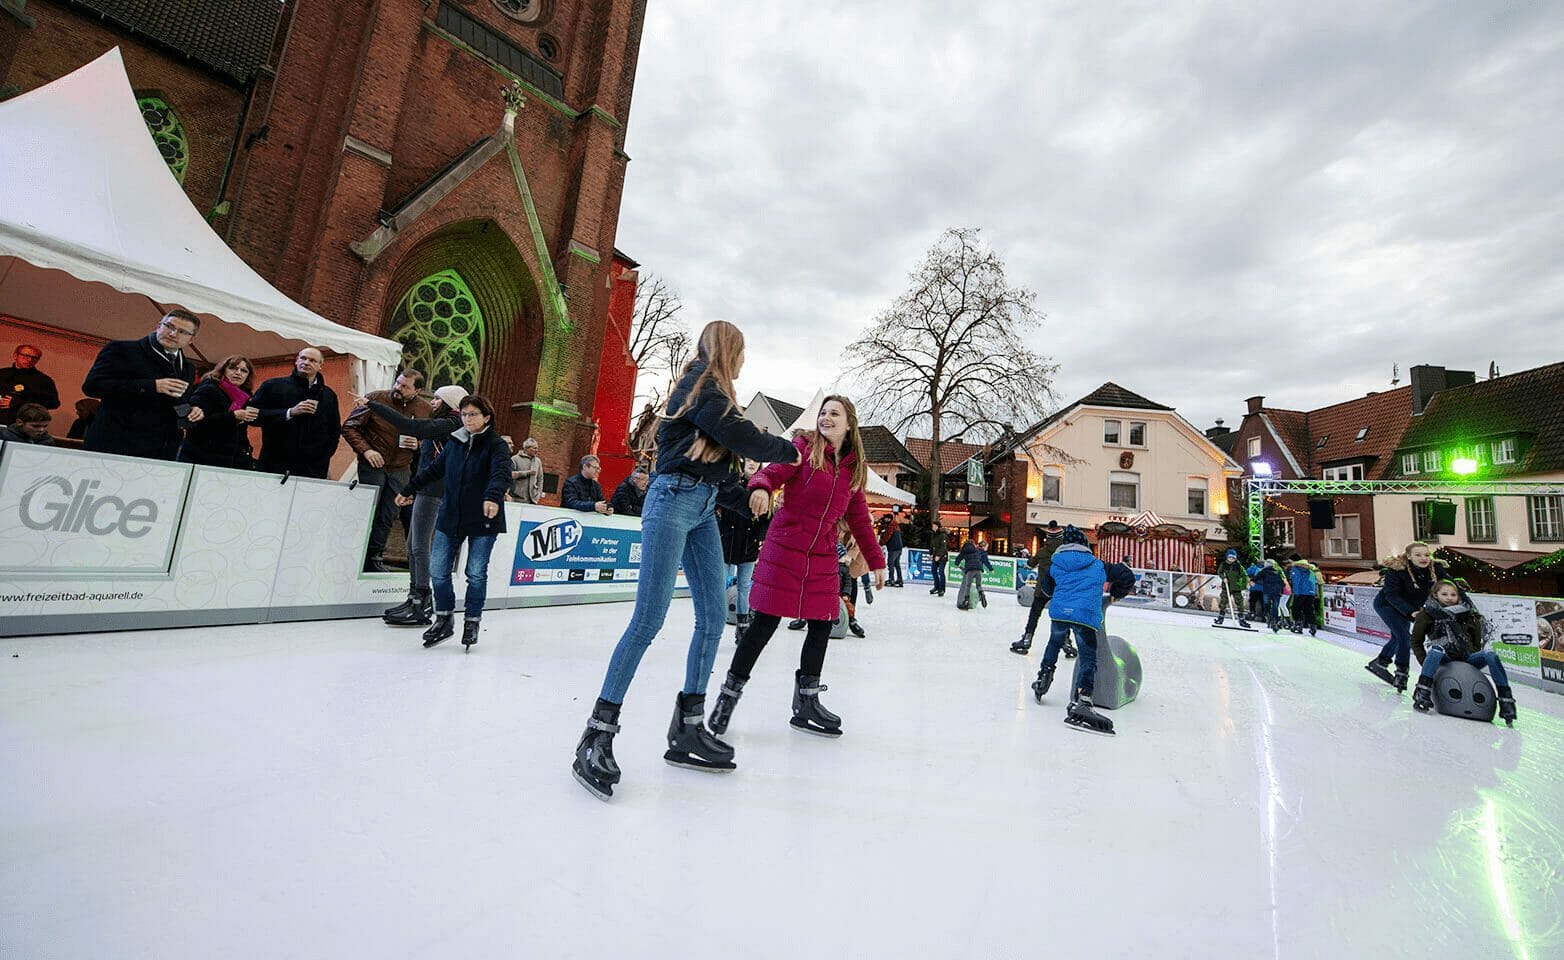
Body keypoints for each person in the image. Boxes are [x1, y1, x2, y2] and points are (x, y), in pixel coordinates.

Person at [571, 321, 800, 801]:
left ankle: (688, 726)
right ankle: (596, 732)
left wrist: (756, 500)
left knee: (715, 616)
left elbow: (715, 469)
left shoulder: (713, 397)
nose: (742, 360)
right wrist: (793, 449)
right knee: (648, 620)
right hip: (671, 501)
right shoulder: (700, 383)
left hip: (701, 506)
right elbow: (742, 438)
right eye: (742, 350)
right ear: (728, 348)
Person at [706, 394, 887, 741]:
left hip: (820, 556)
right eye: (823, 412)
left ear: (849, 424)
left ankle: (807, 702)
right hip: (785, 547)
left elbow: (860, 519)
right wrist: (760, 487)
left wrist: (876, 560)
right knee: (764, 624)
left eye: (834, 413)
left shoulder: (852, 469)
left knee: (822, 623)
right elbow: (773, 472)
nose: (826, 418)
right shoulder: (802, 448)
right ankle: (727, 699)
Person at [393, 394, 510, 651]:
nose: (468, 419)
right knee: (437, 570)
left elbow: (501, 473)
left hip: (483, 517)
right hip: (451, 516)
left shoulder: (496, 445)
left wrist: (492, 497)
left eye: (473, 415)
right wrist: (409, 488)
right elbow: (435, 470)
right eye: (465, 414)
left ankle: (472, 621)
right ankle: (444, 619)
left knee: (476, 573)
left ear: (486, 418)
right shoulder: (455, 441)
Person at [363, 385, 466, 626]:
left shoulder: (451, 424)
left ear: (450, 403)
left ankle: (421, 602)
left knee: (419, 545)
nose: (432, 403)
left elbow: (411, 426)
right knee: (413, 545)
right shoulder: (446, 425)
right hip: (426, 488)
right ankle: (414, 598)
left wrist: (373, 405)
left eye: (438, 399)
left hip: (435, 491)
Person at [1028, 525, 1136, 735]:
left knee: (1054, 643)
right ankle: (1084, 699)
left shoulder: (1055, 564)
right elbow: (1126, 576)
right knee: (1087, 658)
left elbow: (1046, 588)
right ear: (1084, 544)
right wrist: (1115, 594)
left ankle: (1043, 677)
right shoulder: (1098, 565)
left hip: (1060, 613)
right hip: (1085, 615)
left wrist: (1061, 592)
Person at [82, 309, 202, 459]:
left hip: (161, 450)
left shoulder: (188, 368)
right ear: (158, 326)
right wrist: (152, 386)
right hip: (116, 444)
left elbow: (178, 401)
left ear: (191, 340)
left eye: (182, 332)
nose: (173, 334)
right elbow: (93, 386)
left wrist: (191, 410)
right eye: (169, 326)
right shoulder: (122, 349)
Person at [342, 369, 431, 572]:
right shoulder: (376, 398)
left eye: (404, 386)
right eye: (397, 383)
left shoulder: (425, 409)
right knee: (366, 510)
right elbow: (350, 427)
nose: (398, 388)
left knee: (388, 514)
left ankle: (374, 556)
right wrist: (367, 451)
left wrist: (418, 444)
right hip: (373, 464)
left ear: (417, 390)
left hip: (401, 467)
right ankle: (352, 553)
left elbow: (431, 439)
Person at [1410, 581, 1517, 725]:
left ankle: (1506, 700)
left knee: (1490, 655)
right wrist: (1428, 664)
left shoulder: (1469, 614)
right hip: (1444, 659)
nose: (1449, 598)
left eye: (1453, 594)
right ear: (1435, 595)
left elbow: (1476, 643)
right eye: (1444, 594)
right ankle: (1422, 691)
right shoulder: (1427, 614)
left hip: (1466, 658)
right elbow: (1416, 642)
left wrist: (1468, 659)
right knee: (1436, 650)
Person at [1366, 541, 1448, 693]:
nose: (1423, 558)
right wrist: (1411, 612)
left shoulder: (1436, 569)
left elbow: (1450, 585)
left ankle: (1381, 662)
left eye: (1426, 555)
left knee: (1399, 637)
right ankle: (1402, 672)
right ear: (1409, 556)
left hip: (1410, 607)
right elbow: (1391, 594)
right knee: (1404, 637)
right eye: (1418, 555)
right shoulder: (1397, 570)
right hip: (1387, 605)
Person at [250, 347, 341, 478]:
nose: (306, 362)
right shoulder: (273, 386)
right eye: (303, 358)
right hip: (275, 464)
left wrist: (324, 456)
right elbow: (252, 416)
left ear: (320, 366)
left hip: (313, 469)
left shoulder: (329, 395)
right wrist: (289, 412)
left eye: (312, 360)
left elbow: (334, 430)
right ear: (296, 361)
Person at [177, 355, 258, 468]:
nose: (238, 373)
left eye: (244, 370)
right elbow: (191, 422)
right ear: (223, 370)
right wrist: (232, 417)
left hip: (230, 459)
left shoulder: (245, 397)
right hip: (201, 458)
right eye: (233, 368)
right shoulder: (209, 389)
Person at [719, 460, 767, 643]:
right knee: (720, 583)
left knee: (744, 586)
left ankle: (742, 624)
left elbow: (766, 517)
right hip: (728, 541)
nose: (752, 464)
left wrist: (759, 536)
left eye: (756, 461)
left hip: (749, 544)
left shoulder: (762, 487)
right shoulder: (731, 483)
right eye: (749, 460)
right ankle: (716, 620)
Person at [1012, 520, 1067, 653]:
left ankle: (1027, 639)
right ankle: (1066, 641)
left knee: (1035, 615)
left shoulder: (1043, 552)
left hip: (1042, 589)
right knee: (1062, 617)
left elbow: (1031, 563)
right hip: (1060, 590)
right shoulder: (1065, 552)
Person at [0, 344, 60, 426]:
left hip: (22, 426)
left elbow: (53, 403)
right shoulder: (2, 374)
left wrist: (22, 403)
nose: (29, 360)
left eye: (34, 358)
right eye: (26, 356)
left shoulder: (43, 380)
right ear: (15, 355)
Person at [837, 522, 870, 638]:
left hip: (854, 558)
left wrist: (849, 556)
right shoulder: (835, 512)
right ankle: (806, 617)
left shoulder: (861, 517)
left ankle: (851, 619)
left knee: (850, 583)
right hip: (833, 552)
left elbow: (862, 540)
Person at [1212, 548, 1252, 628]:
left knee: (1240, 603)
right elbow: (1219, 572)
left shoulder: (1238, 566)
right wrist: (1223, 578)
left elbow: (1244, 576)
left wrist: (1242, 585)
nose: (1231, 559)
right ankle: (1221, 617)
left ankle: (1241, 619)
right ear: (1227, 557)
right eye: (1230, 557)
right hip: (1226, 587)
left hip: (1236, 587)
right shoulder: (1223, 565)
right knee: (1223, 601)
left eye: (1233, 558)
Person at [1286, 553, 1321, 636]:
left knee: (1295, 608)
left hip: (1300, 591)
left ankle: (1298, 624)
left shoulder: (1296, 568)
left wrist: (1296, 591)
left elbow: (1297, 580)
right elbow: (1313, 580)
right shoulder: (1310, 568)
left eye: (1290, 562)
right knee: (1308, 609)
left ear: (1294, 561)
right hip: (1310, 592)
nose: (1290, 564)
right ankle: (1312, 626)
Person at [955, 536, 992, 610]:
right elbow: (981, 559)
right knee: (978, 585)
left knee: (967, 586)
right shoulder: (977, 550)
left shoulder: (964, 550)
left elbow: (957, 561)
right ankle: (982, 594)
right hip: (979, 569)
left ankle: (966, 601)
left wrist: (959, 566)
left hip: (970, 570)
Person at [1254, 559, 1286, 632]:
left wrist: (1253, 581)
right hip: (1276, 592)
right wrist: (1281, 589)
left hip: (1267, 591)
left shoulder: (1263, 571)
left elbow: (1257, 577)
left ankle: (1268, 616)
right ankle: (1275, 620)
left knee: (1266, 604)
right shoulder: (1277, 572)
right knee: (1275, 607)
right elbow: (1282, 583)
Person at [509, 437, 544, 503]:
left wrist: (539, 493)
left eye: (537, 448)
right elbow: (509, 475)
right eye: (534, 448)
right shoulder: (515, 459)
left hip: (532, 500)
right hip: (516, 499)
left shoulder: (538, 461)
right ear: (526, 448)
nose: (537, 450)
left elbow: (540, 478)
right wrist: (526, 473)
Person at [880, 513, 904, 587]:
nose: (885, 520)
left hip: (893, 548)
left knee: (890, 564)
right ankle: (900, 580)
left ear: (889, 519)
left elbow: (887, 536)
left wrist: (881, 543)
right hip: (899, 548)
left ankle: (891, 579)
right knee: (897, 564)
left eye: (886, 519)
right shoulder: (896, 526)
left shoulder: (890, 527)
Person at [927, 519, 949, 597]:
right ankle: (936, 586)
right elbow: (932, 545)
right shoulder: (933, 534)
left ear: (937, 526)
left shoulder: (943, 535)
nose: (932, 527)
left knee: (941, 572)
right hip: (935, 556)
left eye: (933, 526)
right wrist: (930, 554)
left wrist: (938, 556)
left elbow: (943, 547)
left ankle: (942, 589)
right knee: (933, 571)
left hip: (942, 557)